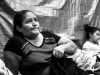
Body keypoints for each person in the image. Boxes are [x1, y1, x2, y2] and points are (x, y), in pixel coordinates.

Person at [3, 10, 77, 75]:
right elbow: (11, 72)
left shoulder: (48, 35)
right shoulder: (16, 42)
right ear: (19, 28)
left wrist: (62, 48)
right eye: (29, 21)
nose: (34, 23)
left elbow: (73, 47)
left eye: (36, 20)